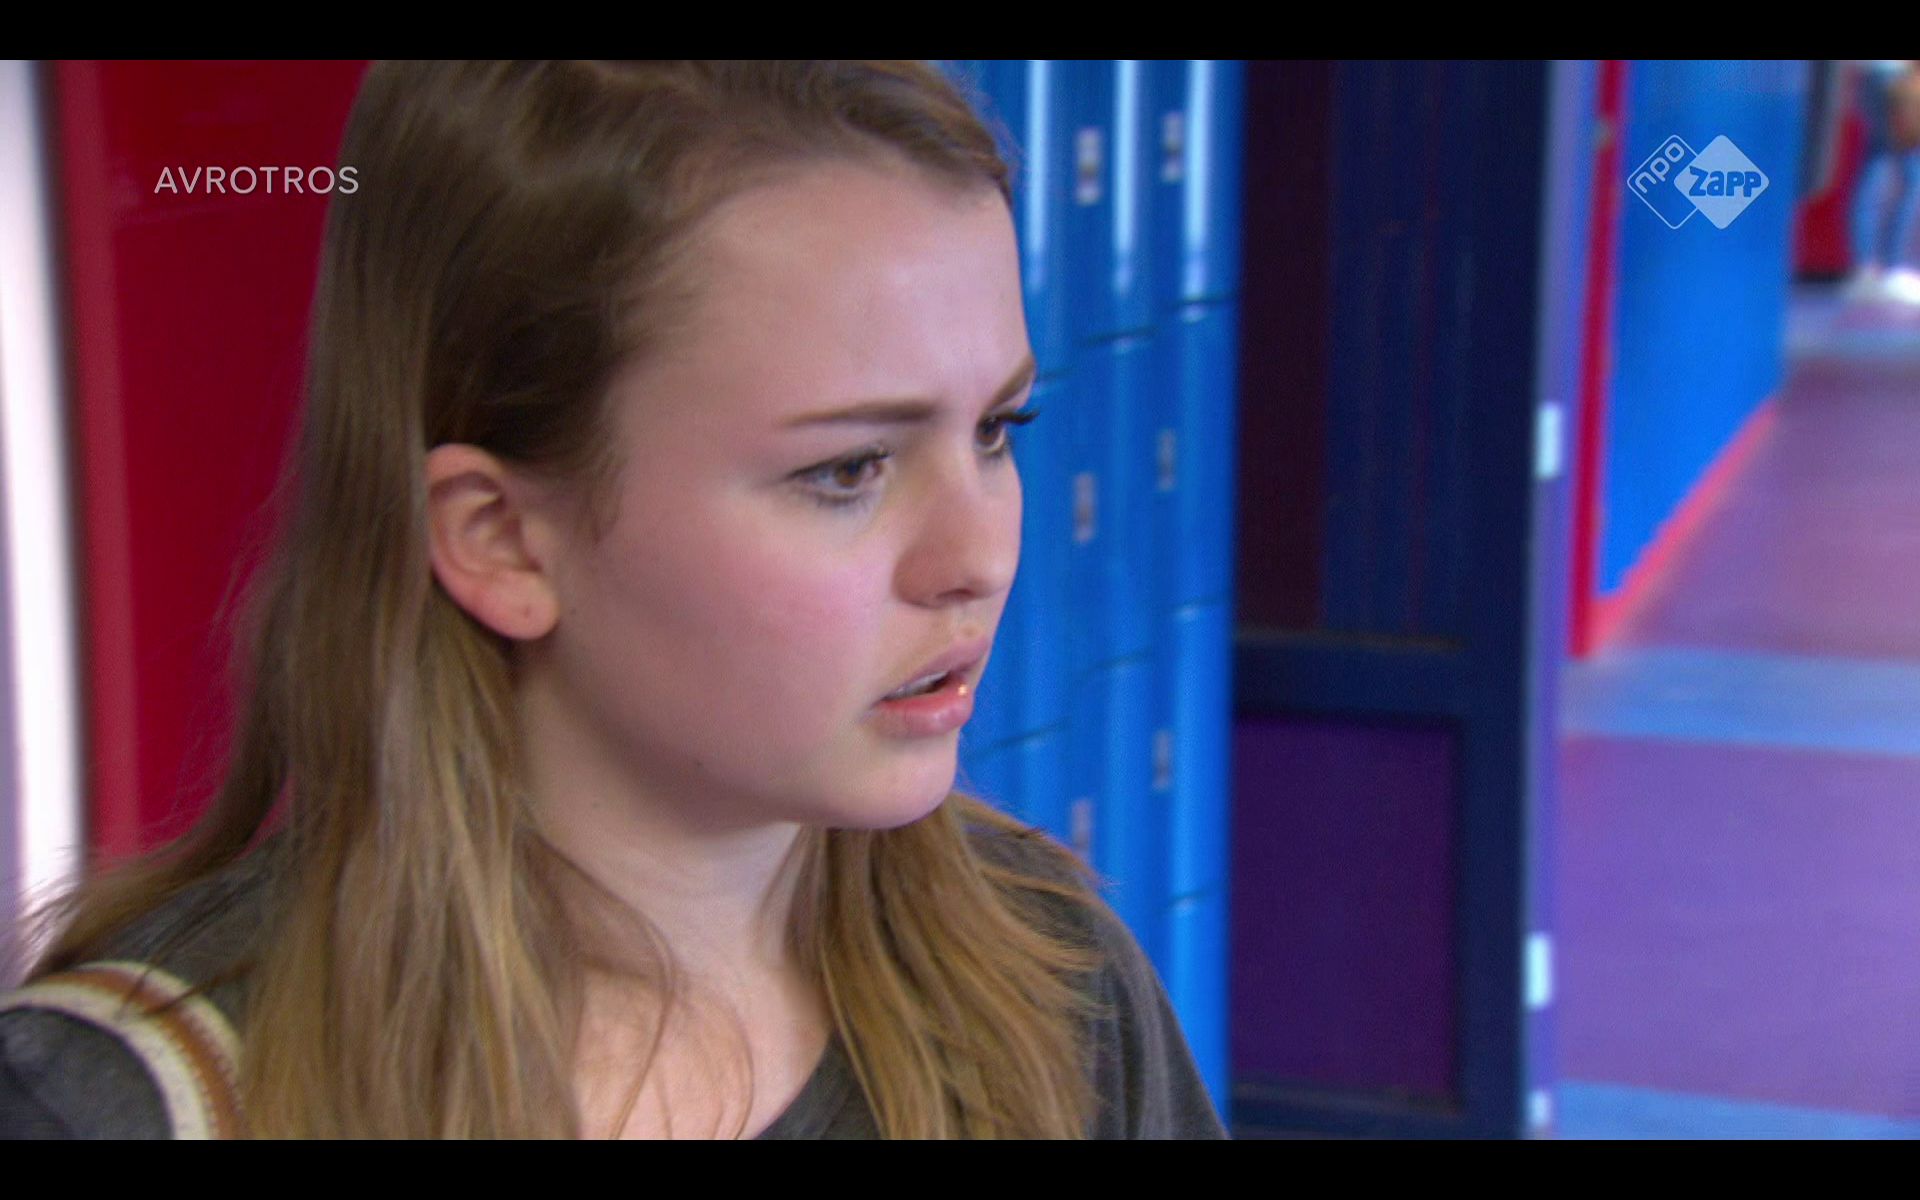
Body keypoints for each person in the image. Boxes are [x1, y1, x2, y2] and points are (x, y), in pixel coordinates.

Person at [0, 61, 1225, 1139]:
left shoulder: (1058, 988)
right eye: (848, 469)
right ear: (503, 542)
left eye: (999, 428)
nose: (978, 557)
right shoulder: (119, 1103)